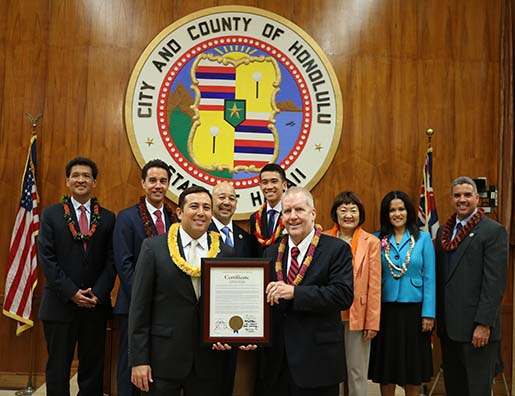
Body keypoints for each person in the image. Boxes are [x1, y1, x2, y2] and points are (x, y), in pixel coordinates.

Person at [129, 186, 251, 396]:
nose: (201, 212)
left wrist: (234, 335)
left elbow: (230, 303)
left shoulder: (225, 252)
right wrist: (139, 360)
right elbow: (139, 307)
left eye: (206, 207)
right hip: (163, 359)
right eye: (194, 206)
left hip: (208, 360)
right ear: (179, 212)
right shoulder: (154, 248)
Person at [255, 187, 354, 396]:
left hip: (318, 362)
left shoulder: (336, 249)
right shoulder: (271, 252)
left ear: (313, 213)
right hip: (277, 364)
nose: (293, 217)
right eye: (287, 211)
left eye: (299, 210)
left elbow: (342, 295)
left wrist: (295, 293)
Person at [38, 157, 116, 396]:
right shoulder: (50, 215)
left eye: (86, 176)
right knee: (58, 367)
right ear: (67, 181)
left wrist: (98, 293)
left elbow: (112, 261)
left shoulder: (108, 217)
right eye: (76, 175)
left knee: (93, 367)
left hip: (94, 306)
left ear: (94, 182)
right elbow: (47, 259)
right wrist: (71, 292)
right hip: (59, 305)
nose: (80, 179)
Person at [435, 176, 507, 396]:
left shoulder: (493, 231)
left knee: (477, 391)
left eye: (467, 195)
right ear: (452, 199)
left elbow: (494, 283)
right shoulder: (443, 233)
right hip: (450, 330)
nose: (462, 200)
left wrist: (484, 324)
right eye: (457, 195)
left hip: (477, 331)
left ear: (477, 198)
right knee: (455, 390)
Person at [113, 159, 176, 396]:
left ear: (168, 184)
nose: (158, 185)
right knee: (131, 365)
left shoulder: (174, 220)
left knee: (155, 369)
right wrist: (145, 296)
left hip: (164, 308)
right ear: (143, 183)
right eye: (152, 180)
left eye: (162, 181)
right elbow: (124, 263)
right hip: (133, 306)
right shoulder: (127, 218)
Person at [368, 191, 435, 396]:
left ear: (409, 211)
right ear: (385, 214)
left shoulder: (422, 238)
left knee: (412, 368)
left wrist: (429, 313)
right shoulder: (376, 239)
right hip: (385, 311)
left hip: (415, 311)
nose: (397, 213)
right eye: (392, 210)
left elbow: (430, 277)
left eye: (401, 209)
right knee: (386, 367)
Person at [324, 191, 381, 396]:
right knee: (331, 369)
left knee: (356, 371)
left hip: (358, 314)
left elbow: (374, 285)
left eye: (353, 210)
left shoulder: (371, 242)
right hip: (328, 314)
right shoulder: (322, 239)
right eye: (343, 210)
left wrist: (373, 322)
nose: (348, 214)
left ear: (360, 214)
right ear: (335, 213)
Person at [208, 181, 255, 395]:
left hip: (235, 323)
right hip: (205, 323)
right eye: (221, 197)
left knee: (227, 380)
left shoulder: (245, 238)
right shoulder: (201, 232)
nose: (227, 202)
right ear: (211, 201)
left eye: (232, 198)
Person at [249, 163, 287, 255]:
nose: (269, 187)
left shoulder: (291, 215)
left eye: (274, 181)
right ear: (260, 186)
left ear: (284, 185)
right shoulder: (255, 218)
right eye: (265, 182)